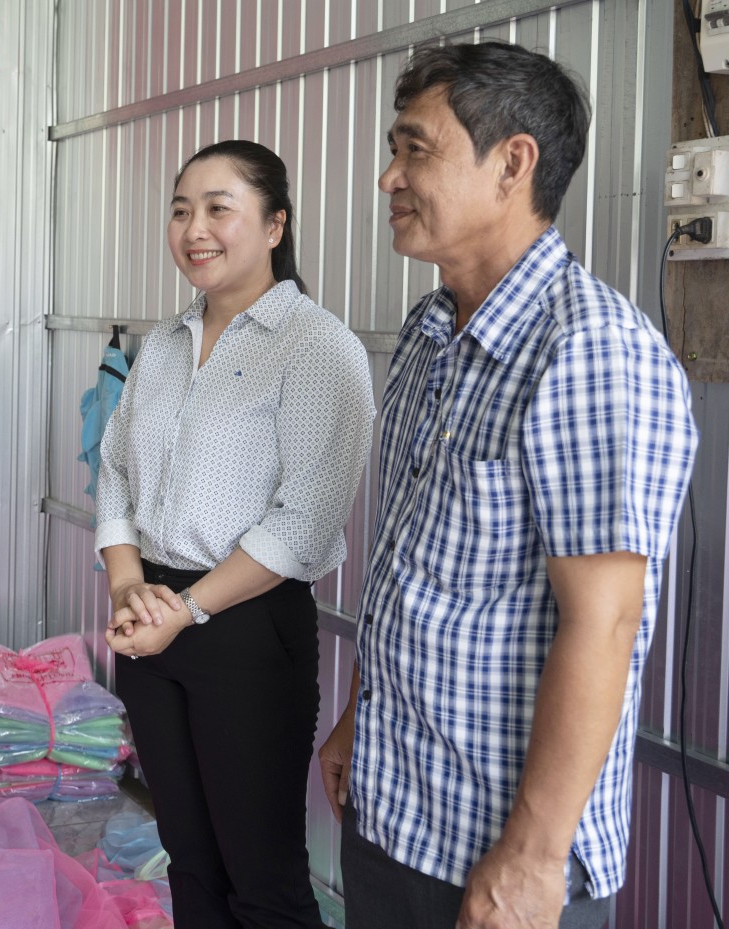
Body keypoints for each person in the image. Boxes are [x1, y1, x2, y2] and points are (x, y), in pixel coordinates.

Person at [316, 42, 698, 929]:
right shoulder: (429, 332)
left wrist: (532, 855)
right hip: (393, 803)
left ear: (513, 163)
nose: (389, 177)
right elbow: (412, 565)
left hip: (494, 853)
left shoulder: (589, 349)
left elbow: (604, 623)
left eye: (416, 149)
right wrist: (359, 717)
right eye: (393, 149)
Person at [97, 139, 375, 929]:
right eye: (181, 210)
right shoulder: (164, 344)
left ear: (275, 224)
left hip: (248, 627)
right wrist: (129, 585)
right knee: (189, 859)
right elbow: (114, 467)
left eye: (219, 208)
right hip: (150, 618)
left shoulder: (318, 345)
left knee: (263, 879)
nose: (195, 229)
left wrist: (186, 610)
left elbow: (304, 521)